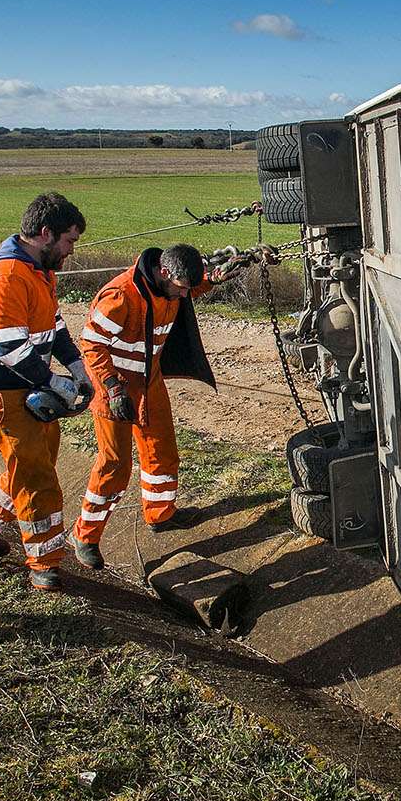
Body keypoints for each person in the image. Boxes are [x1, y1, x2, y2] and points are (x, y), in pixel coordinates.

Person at [0, 192, 93, 590]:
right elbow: (10, 349)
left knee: (29, 467)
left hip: (25, 389)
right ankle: (44, 563)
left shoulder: (38, 272)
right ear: (46, 234)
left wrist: (78, 367)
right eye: (69, 241)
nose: (70, 251)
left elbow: (56, 327)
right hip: (0, 394)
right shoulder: (8, 276)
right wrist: (55, 382)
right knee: (37, 478)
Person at [69, 243, 242, 568]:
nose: (182, 296)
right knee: (115, 467)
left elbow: (192, 287)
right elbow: (91, 346)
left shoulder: (172, 286)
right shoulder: (119, 297)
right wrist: (112, 388)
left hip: (149, 383)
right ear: (164, 273)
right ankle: (85, 536)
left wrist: (215, 278)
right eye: (180, 288)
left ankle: (160, 514)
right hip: (114, 390)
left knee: (161, 452)